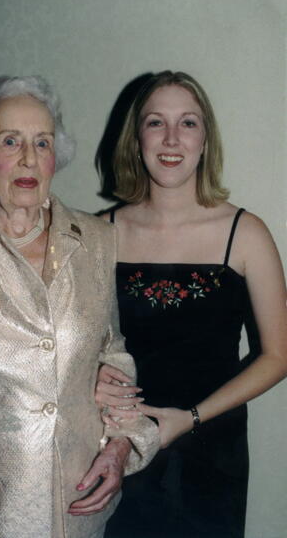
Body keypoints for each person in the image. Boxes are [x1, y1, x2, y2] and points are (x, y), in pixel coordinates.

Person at [0, 76, 160, 538]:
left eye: (42, 142)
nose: (29, 158)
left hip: (80, 494)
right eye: (10, 141)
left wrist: (118, 446)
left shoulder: (95, 241)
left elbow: (112, 353)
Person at [95, 70, 287, 538]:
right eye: (156, 122)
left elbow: (279, 356)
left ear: (206, 140)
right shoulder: (98, 233)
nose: (172, 138)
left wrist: (192, 417)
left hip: (212, 448)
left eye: (188, 123)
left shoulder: (247, 233)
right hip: (117, 442)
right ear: (136, 138)